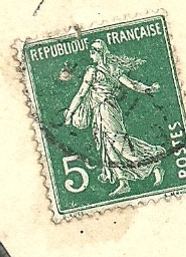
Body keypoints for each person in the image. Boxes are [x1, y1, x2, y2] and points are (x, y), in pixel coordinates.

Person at [64, 39, 166, 198]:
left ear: (100, 53)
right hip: (101, 111)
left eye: (93, 52)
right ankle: (123, 182)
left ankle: (154, 162)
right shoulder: (109, 69)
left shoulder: (95, 71)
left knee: (120, 144)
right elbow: (132, 84)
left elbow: (82, 93)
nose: (91, 55)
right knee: (108, 146)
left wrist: (70, 112)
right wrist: (148, 89)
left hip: (108, 110)